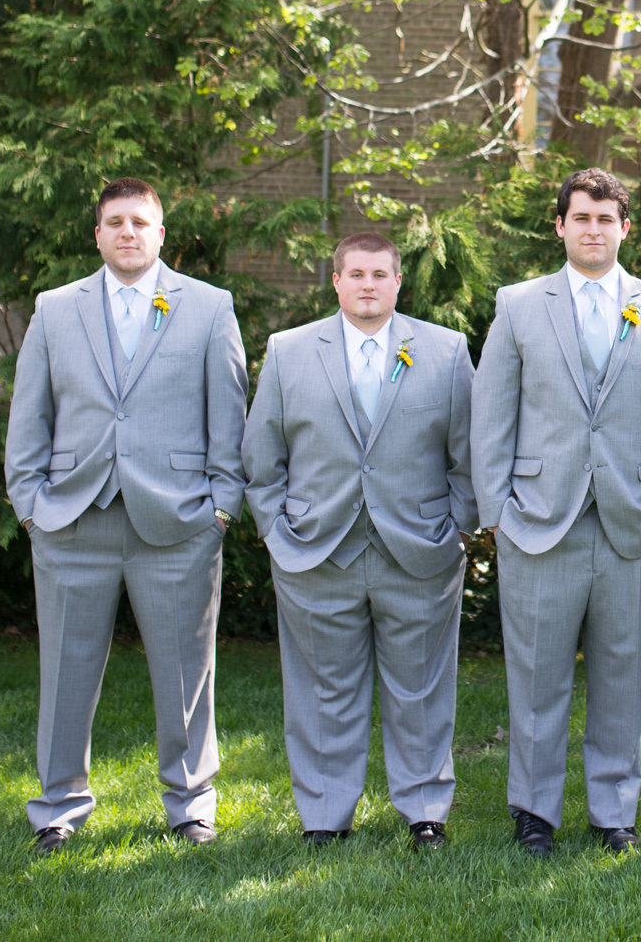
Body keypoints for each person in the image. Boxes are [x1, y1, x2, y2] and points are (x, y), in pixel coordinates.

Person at [4, 177, 248, 854]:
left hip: (177, 524)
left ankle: (191, 804)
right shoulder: (55, 309)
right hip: (72, 521)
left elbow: (229, 417)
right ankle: (56, 806)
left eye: (141, 221)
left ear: (161, 232)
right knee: (64, 673)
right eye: (115, 221)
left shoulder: (207, 306)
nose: (128, 232)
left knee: (185, 675)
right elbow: (30, 415)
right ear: (98, 233)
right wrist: (31, 507)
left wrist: (220, 509)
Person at [470, 168, 641, 856]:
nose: (593, 229)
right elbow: (491, 415)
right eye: (582, 217)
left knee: (624, 674)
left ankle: (614, 811)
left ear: (625, 227)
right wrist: (498, 512)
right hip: (540, 519)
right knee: (537, 674)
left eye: (606, 218)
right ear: (560, 223)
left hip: (637, 521)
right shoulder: (517, 305)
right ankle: (534, 812)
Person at [242, 233, 475, 850]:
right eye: (355, 274)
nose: (368, 284)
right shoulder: (290, 351)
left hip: (419, 549)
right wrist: (275, 530)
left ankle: (425, 810)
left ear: (399, 282)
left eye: (380, 274)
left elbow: (468, 455)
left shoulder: (446, 351)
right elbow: (262, 454)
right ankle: (324, 815)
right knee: (324, 688)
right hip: (317, 551)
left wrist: (454, 526)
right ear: (336, 282)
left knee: (421, 688)